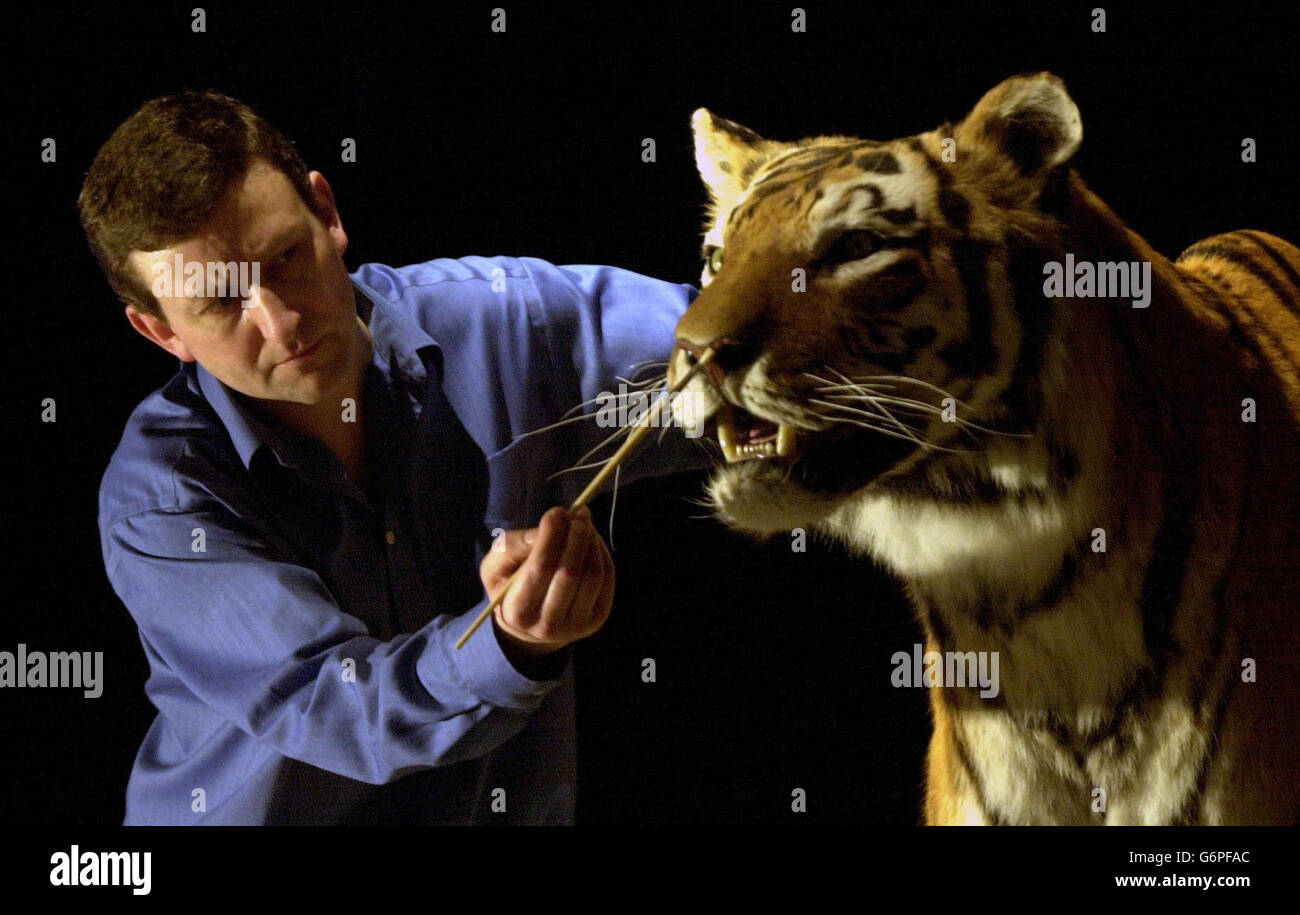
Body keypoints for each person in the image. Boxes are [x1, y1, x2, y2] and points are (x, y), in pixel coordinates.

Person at [80, 90, 703, 824]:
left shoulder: (507, 320)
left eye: (285, 258)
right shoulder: (163, 497)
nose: (279, 321)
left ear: (327, 212)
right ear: (162, 333)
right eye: (221, 304)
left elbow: (747, 356)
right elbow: (336, 703)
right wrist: (507, 644)